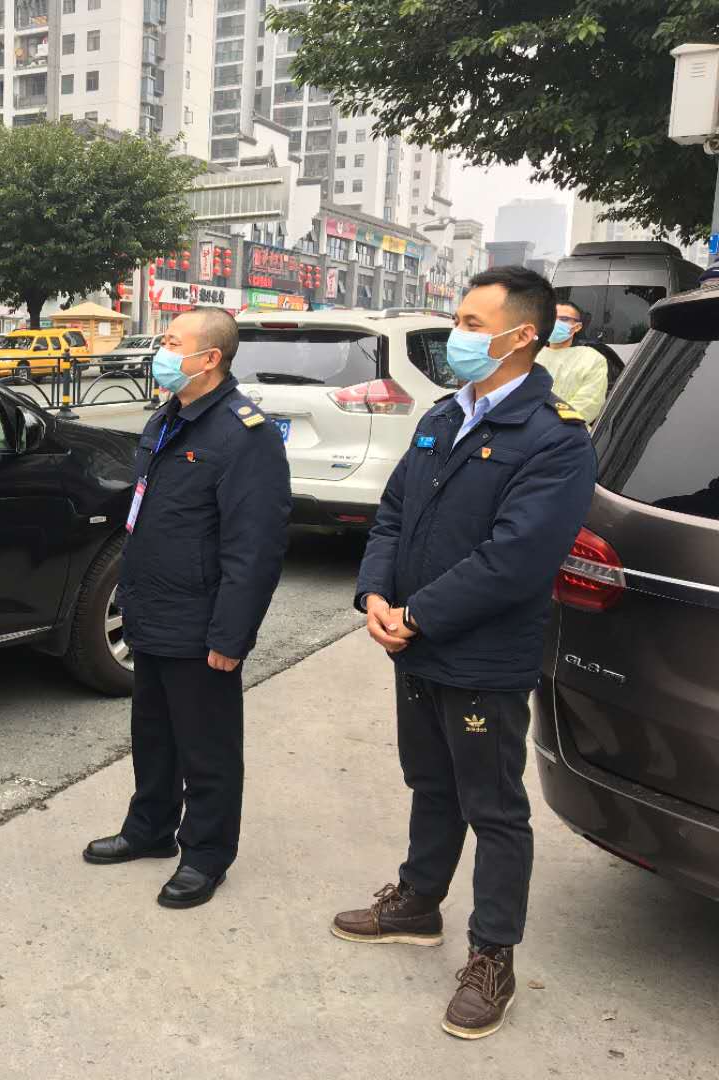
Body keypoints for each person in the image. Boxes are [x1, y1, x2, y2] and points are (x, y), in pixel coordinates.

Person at [335, 266, 595, 1040]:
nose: (458, 335)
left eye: (473, 324)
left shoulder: (555, 438)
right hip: (414, 646)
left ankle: (493, 955)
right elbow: (392, 514)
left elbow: (515, 560)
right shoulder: (444, 415)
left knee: (494, 807)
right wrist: (375, 596)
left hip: (482, 658)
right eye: (458, 320)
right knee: (430, 783)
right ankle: (418, 903)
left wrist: (417, 615)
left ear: (522, 336)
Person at [83, 306, 290, 909]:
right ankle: (149, 828)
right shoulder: (169, 416)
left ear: (209, 359)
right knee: (153, 733)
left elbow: (255, 548)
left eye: (173, 343)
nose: (161, 352)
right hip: (150, 608)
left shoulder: (243, 435)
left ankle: (205, 854)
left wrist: (231, 636)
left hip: (201, 621)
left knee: (207, 746)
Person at [540, 301, 609, 423]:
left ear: (577, 327)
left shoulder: (591, 359)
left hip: (566, 430)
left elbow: (589, 403)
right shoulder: (530, 354)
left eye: (564, 319)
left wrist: (547, 422)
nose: (555, 323)